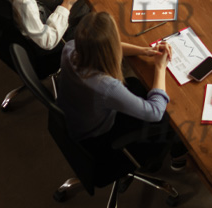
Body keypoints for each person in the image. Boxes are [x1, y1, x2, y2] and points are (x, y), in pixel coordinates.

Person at [56, 12, 187, 171]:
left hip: (76, 116)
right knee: (174, 116)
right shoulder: (106, 86)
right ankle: (178, 157)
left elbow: (109, 47)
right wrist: (160, 67)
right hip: (98, 136)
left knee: (136, 85)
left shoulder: (70, 48)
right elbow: (155, 112)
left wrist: (144, 51)